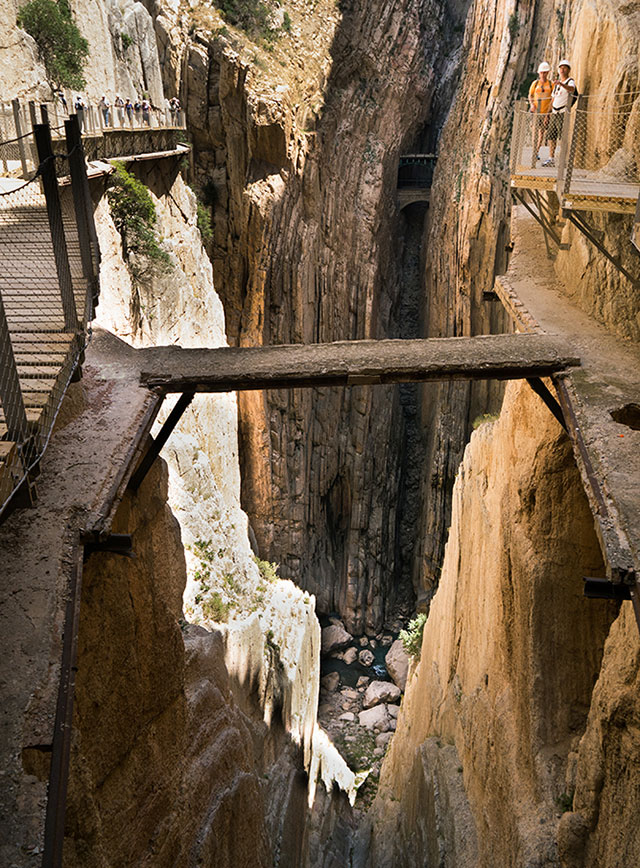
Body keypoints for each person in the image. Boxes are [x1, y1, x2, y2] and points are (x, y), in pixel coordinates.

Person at [543, 60, 576, 167]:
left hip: (562, 112)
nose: (562, 70)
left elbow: (572, 89)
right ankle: (551, 158)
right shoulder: (556, 86)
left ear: (568, 70)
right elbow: (552, 100)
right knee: (551, 136)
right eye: (561, 68)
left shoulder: (570, 81)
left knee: (563, 137)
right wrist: (547, 115)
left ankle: (563, 159)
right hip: (554, 112)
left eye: (565, 68)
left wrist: (561, 84)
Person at [528, 62, 553, 164]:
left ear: (547, 73)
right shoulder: (535, 84)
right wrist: (532, 104)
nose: (543, 74)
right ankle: (535, 152)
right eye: (541, 73)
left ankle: (536, 151)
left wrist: (548, 114)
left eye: (545, 73)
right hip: (536, 112)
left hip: (545, 112)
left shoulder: (551, 84)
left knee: (541, 133)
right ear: (539, 73)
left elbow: (552, 99)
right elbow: (530, 95)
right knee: (535, 132)